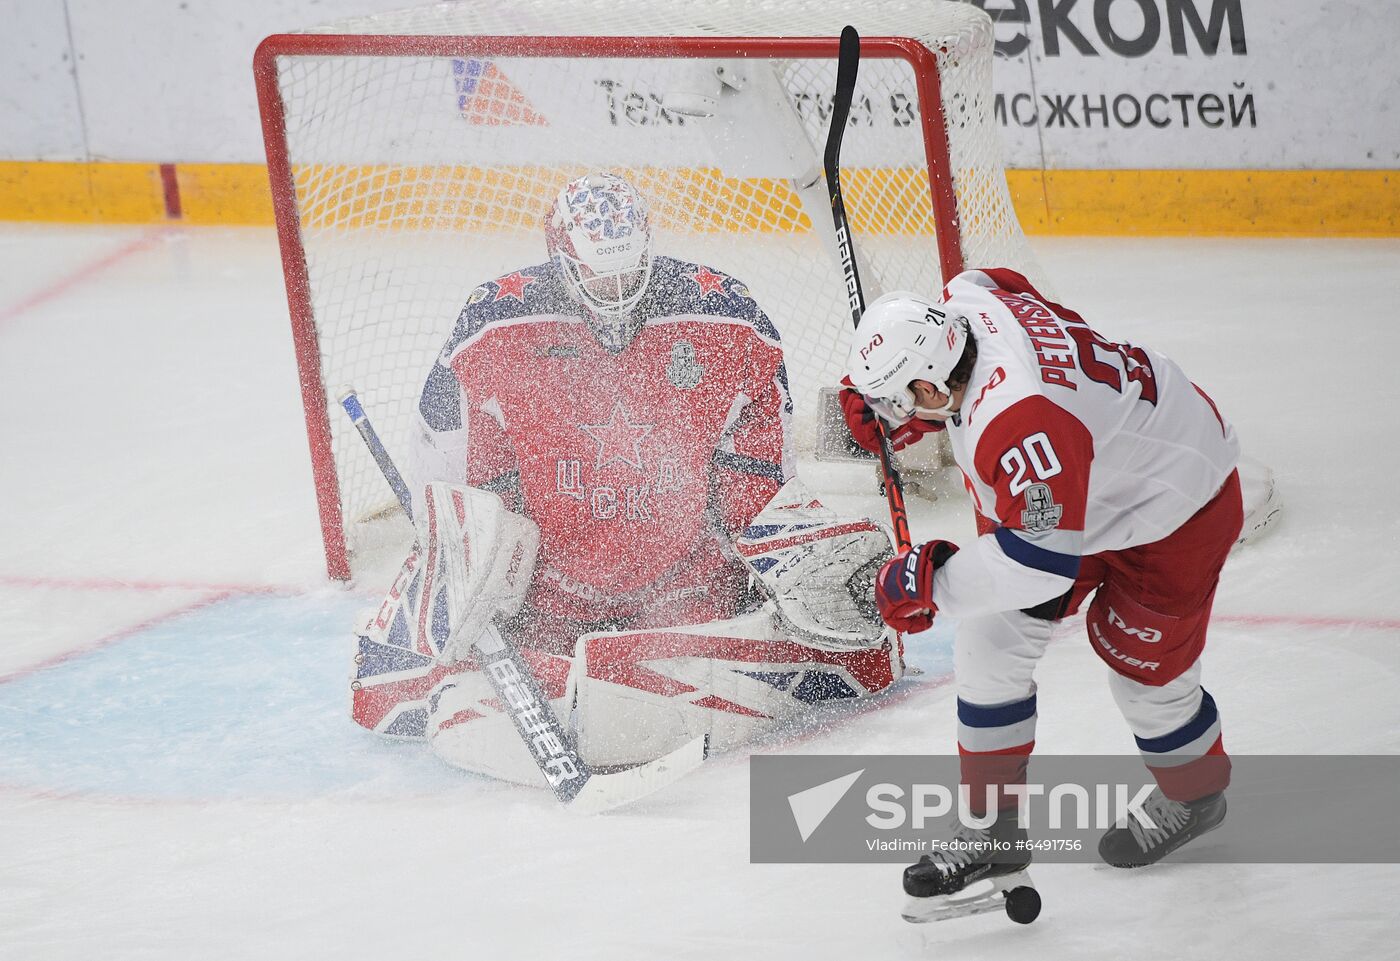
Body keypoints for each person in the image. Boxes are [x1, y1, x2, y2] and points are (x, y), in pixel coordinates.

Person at [350, 172, 901, 786]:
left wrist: (773, 562)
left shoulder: (728, 317)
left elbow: (763, 479)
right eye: (597, 274)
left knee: (852, 645)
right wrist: (461, 554)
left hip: (688, 582)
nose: (615, 291)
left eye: (628, 272)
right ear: (561, 257)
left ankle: (626, 694)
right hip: (549, 588)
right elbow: (446, 466)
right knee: (392, 683)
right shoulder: (492, 327)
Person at [842, 267, 1240, 900]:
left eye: (900, 401)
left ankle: (1196, 797)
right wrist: (891, 394)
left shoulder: (1020, 421)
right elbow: (1000, 280)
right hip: (1087, 475)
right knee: (989, 644)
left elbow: (1036, 561)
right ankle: (989, 832)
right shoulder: (967, 301)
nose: (894, 417)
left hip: (1174, 503)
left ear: (929, 381)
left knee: (1141, 673)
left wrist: (933, 585)